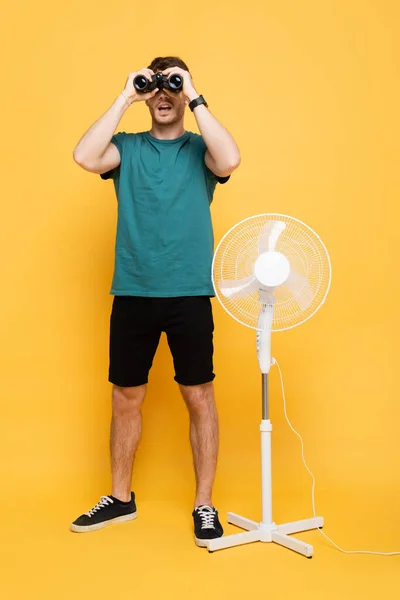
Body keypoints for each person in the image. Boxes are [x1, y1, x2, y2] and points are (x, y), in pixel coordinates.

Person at [70, 56, 240, 546]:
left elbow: (229, 161)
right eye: (156, 86)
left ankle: (203, 504)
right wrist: (127, 94)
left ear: (184, 93)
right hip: (133, 292)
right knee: (126, 397)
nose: (163, 94)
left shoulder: (200, 149)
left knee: (199, 396)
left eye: (173, 86)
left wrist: (194, 93)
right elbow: (84, 156)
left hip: (189, 292)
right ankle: (120, 498)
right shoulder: (124, 149)